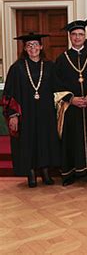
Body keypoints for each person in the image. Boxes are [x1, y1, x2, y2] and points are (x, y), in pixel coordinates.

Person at [1, 33, 60, 188]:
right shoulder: (17, 68)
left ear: (41, 47)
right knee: (28, 142)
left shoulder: (49, 66)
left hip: (45, 112)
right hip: (25, 113)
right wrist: (13, 115)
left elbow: (58, 88)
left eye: (35, 45)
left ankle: (46, 171)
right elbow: (9, 93)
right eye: (29, 45)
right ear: (25, 49)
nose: (33, 48)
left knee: (45, 140)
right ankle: (31, 173)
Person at [53, 20, 87, 186]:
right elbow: (56, 83)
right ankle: (70, 173)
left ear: (85, 36)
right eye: (74, 34)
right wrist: (71, 98)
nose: (77, 37)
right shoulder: (62, 59)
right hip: (71, 107)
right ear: (70, 37)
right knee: (71, 139)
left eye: (81, 34)